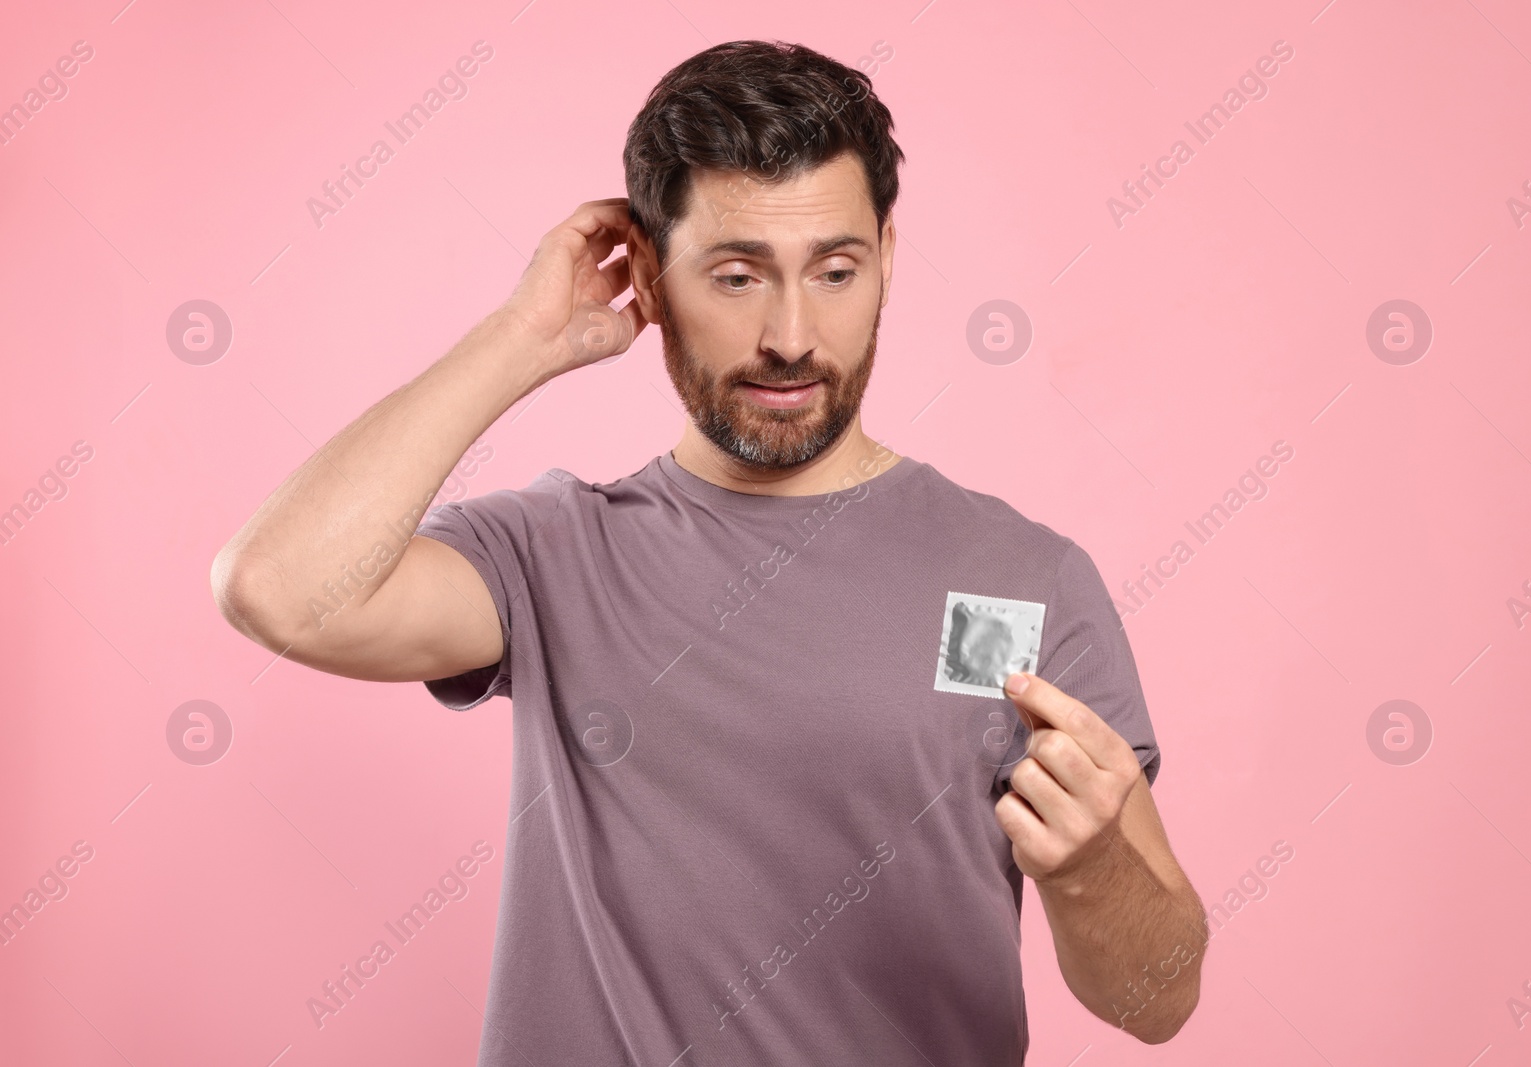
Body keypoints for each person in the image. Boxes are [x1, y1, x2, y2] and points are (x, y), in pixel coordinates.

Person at [212, 38, 1206, 1065]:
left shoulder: (1020, 580)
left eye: (834, 270)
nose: (790, 332)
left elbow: (1158, 999)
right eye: (736, 275)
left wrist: (1090, 869)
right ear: (646, 270)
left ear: (886, 260)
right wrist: (520, 336)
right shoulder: (554, 555)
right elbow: (276, 587)